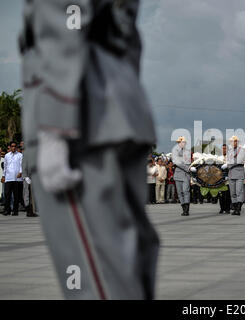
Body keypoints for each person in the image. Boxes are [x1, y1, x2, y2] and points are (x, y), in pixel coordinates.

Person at [20, 0, 160, 299]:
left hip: (81, 116)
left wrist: (56, 124)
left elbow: (66, 12)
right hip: (119, 105)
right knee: (127, 265)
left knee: (90, 276)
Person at [223, 136, 245, 216]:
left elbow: (239, 160)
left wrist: (228, 165)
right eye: (232, 141)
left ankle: (238, 209)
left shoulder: (241, 150)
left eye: (235, 141)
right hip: (231, 174)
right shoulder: (229, 151)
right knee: (233, 193)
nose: (234, 143)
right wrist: (228, 164)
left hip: (239, 173)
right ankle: (235, 208)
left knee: (239, 191)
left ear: (237, 142)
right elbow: (227, 160)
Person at [1, 141, 23, 216]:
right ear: (10, 147)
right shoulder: (7, 155)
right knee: (7, 194)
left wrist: (20, 172)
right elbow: (5, 167)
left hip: (17, 178)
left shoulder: (20, 155)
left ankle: (15, 211)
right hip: (8, 178)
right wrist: (3, 176)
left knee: (16, 195)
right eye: (12, 146)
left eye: (14, 146)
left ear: (16, 147)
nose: (13, 148)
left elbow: (21, 165)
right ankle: (7, 210)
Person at [172, 136, 191, 216]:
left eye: (182, 142)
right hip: (178, 173)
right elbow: (176, 162)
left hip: (186, 174)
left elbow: (187, 162)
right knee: (180, 193)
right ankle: (183, 208)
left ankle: (187, 210)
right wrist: (186, 168)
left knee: (186, 191)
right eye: (179, 142)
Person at [218, 144, 231, 214]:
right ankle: (222, 208)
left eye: (225, 149)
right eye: (223, 149)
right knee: (221, 195)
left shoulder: (230, 158)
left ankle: (227, 208)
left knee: (227, 195)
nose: (224, 150)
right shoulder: (219, 158)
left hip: (228, 178)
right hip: (220, 179)